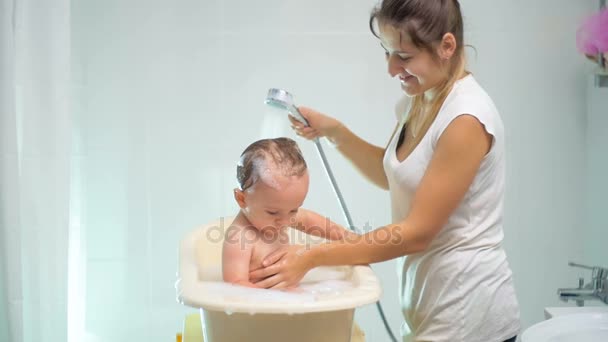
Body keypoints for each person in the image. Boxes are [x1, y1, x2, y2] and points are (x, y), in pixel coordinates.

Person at [248, 1, 521, 341]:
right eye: (387, 52)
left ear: (447, 46)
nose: (392, 68)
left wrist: (313, 255)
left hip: (469, 314)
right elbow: (391, 174)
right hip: (430, 305)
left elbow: (417, 232)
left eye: (403, 56)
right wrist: (335, 133)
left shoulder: (465, 119)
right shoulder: (420, 100)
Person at [222, 137, 352, 288]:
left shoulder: (280, 215)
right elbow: (235, 286)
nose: (285, 221)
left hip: (287, 302)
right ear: (241, 199)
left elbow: (309, 220)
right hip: (259, 308)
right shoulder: (239, 238)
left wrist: (348, 238)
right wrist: (273, 301)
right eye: (272, 212)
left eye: (293, 210)